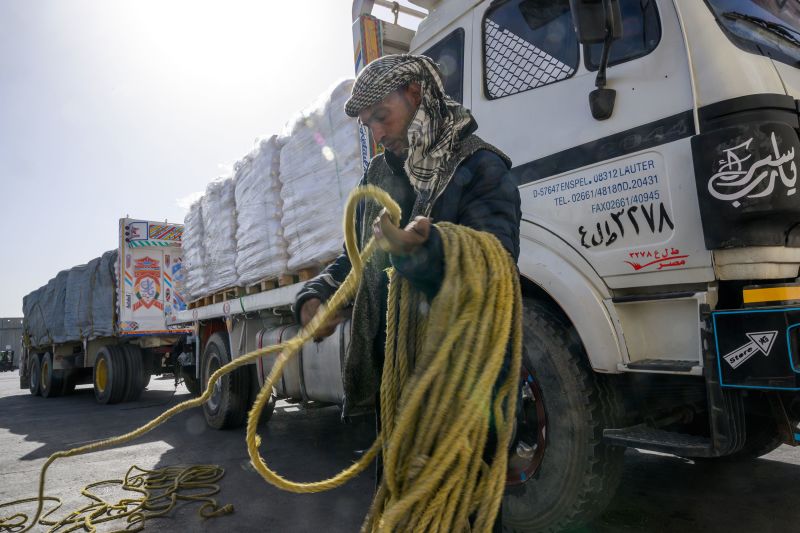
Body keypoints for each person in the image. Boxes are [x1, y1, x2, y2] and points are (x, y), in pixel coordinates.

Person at [294, 54, 521, 416]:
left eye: (382, 117)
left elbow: (495, 264)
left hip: (463, 390)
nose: (378, 135)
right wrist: (316, 293)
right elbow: (355, 260)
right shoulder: (378, 176)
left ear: (416, 94)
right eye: (368, 125)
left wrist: (425, 252)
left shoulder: (480, 166)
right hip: (396, 388)